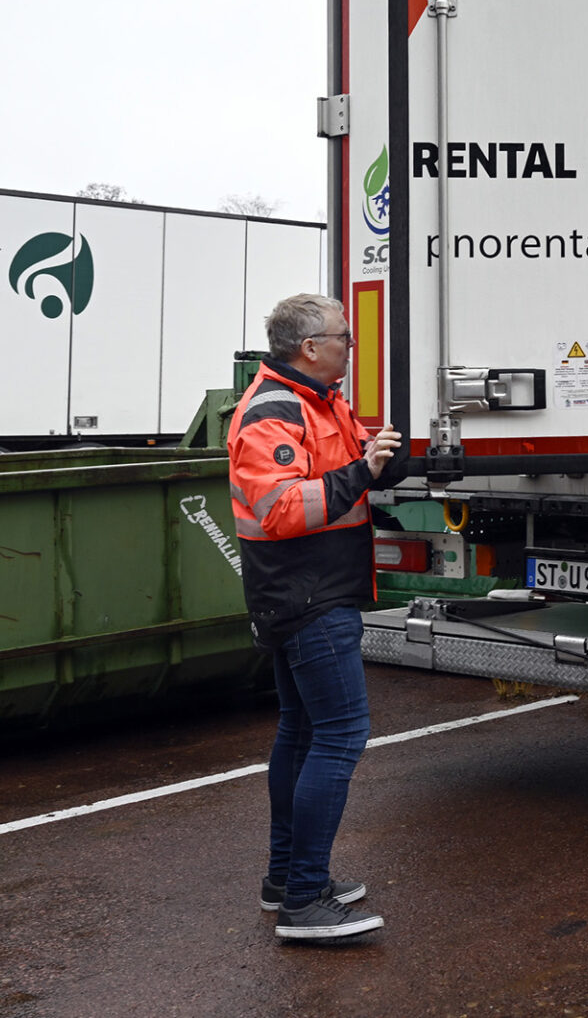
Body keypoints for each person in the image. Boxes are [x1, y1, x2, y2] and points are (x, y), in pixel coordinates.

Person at [230, 293, 402, 941]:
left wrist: (382, 461)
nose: (350, 348)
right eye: (343, 338)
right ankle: (304, 901)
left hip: (311, 590)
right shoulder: (274, 409)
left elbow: (359, 466)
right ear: (309, 348)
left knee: (302, 734)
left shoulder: (321, 401)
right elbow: (280, 509)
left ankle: (287, 880)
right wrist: (361, 472)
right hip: (306, 595)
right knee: (339, 735)